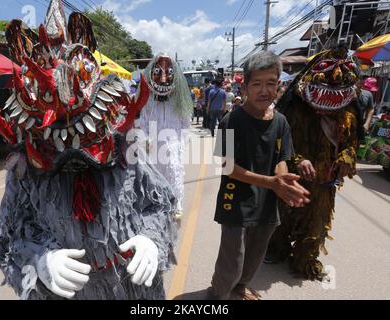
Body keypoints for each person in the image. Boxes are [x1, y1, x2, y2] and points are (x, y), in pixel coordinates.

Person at [0, 1, 177, 300]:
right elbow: (8, 237)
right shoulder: (26, 174)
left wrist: (152, 240)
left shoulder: (127, 157)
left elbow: (159, 204)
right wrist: (38, 261)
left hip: (132, 289)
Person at [207, 51, 310, 300]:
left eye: (271, 83)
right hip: (235, 205)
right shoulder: (229, 120)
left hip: (267, 204)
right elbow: (227, 167)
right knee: (232, 261)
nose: (264, 90)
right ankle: (217, 294)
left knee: (254, 257)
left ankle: (241, 289)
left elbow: (282, 159)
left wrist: (283, 182)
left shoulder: (282, 122)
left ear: (279, 85)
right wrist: (271, 183)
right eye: (257, 84)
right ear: (245, 87)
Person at [268, 47, 361, 280]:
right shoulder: (295, 111)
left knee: (315, 224)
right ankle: (277, 249)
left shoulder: (348, 115)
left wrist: (346, 158)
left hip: (324, 182)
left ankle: (304, 259)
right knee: (284, 217)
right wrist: (298, 160)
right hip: (293, 176)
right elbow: (282, 144)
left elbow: (351, 144)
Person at [137, 53, 193, 221]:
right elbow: (143, 121)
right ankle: (155, 201)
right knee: (152, 173)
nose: (163, 78)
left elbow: (186, 123)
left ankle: (176, 204)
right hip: (153, 144)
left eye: (168, 73)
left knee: (174, 171)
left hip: (173, 143)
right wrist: (145, 139)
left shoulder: (179, 101)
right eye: (158, 72)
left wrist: (180, 142)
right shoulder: (148, 101)